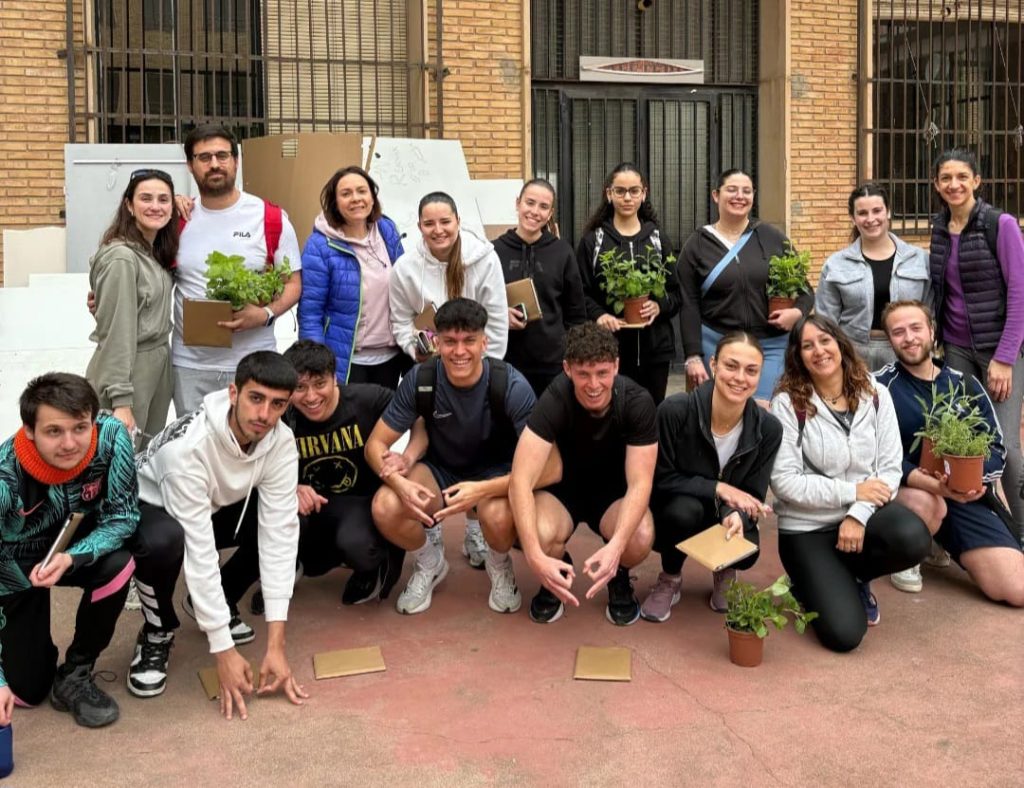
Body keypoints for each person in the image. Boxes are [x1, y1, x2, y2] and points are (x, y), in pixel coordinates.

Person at [128, 351, 308, 719]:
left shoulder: (280, 440)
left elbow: (279, 536)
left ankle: (213, 603)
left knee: (292, 519)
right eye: (256, 398)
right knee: (165, 542)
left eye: (277, 404)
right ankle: (157, 631)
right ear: (233, 393)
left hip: (212, 501)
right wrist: (223, 650)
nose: (264, 415)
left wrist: (276, 646)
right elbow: (200, 552)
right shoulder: (187, 452)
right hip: (151, 507)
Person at [365, 299, 539, 616]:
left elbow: (546, 466)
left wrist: (482, 490)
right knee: (385, 506)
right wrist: (398, 480)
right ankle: (430, 562)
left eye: (469, 340)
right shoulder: (421, 379)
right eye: (450, 341)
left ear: (484, 342)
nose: (459, 351)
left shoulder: (511, 385)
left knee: (499, 516)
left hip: (494, 472)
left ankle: (499, 565)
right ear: (437, 343)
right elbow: (374, 445)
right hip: (440, 471)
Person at [770, 315, 932, 652]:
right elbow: (784, 482)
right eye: (807, 346)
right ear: (798, 356)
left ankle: (856, 575)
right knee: (844, 635)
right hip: (807, 529)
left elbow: (890, 469)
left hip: (862, 519)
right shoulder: (788, 403)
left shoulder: (876, 394)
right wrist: (852, 491)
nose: (819, 351)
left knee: (912, 537)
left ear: (840, 344)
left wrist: (858, 513)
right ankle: (807, 582)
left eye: (825, 341)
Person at [0, 374, 138, 728]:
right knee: (27, 690)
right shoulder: (4, 477)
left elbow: (123, 516)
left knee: (120, 562)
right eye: (53, 431)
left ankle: (77, 670)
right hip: (14, 561)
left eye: (80, 427)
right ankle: (33, 652)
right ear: (29, 430)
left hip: (75, 543)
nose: (70, 443)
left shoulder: (111, 435)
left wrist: (73, 556)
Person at [389, 192, 510, 568]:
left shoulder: (483, 258)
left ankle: (475, 528)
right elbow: (400, 319)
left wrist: (480, 371)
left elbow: (496, 319)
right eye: (429, 223)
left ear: (458, 222)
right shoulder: (406, 268)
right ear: (419, 226)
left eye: (445, 222)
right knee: (435, 446)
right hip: (431, 373)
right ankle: (432, 527)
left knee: (475, 447)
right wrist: (417, 348)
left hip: (478, 373)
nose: (438, 230)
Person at [509, 321, 658, 626]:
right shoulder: (555, 398)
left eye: (602, 372)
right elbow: (520, 480)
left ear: (616, 366)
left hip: (613, 493)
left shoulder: (637, 402)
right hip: (564, 491)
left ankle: (618, 573)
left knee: (640, 537)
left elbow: (640, 483)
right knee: (533, 532)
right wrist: (535, 557)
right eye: (583, 374)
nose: (593, 384)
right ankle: (554, 569)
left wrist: (616, 548)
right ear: (567, 369)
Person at [875, 301, 1023, 605]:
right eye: (898, 332)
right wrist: (924, 480)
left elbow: (995, 445)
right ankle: (908, 554)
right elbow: (871, 455)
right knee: (928, 502)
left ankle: (940, 541)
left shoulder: (964, 384)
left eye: (916, 328)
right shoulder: (879, 387)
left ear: (932, 331)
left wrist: (974, 479)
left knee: (1017, 589)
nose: (909, 338)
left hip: (963, 495)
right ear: (890, 340)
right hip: (909, 493)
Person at [641, 332, 783, 623]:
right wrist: (718, 487)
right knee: (682, 513)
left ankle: (724, 570)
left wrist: (735, 515)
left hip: (724, 513)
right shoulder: (675, 411)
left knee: (748, 551)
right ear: (714, 365)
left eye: (751, 370)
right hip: (679, 507)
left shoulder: (768, 428)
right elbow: (661, 480)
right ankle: (670, 576)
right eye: (731, 366)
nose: (740, 378)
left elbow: (753, 494)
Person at [172, 124, 303, 414]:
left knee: (256, 438)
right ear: (190, 165)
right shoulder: (177, 220)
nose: (214, 164)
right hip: (191, 366)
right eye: (204, 157)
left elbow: (293, 283)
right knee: (194, 439)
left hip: (254, 361)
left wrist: (265, 314)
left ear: (236, 161)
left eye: (222, 155)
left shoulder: (269, 217)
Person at [929, 147, 1024, 544]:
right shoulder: (938, 228)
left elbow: (1019, 293)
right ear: (937, 184)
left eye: (962, 177)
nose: (954, 185)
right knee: (956, 440)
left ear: (976, 181)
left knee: (1006, 445)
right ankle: (970, 530)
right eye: (946, 178)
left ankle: (1021, 531)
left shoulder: (1000, 225)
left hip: (998, 351)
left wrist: (1004, 357)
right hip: (955, 350)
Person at [281, 339, 411, 605]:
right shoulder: (282, 413)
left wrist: (407, 455)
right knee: (275, 513)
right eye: (300, 387)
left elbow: (417, 413)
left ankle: (373, 565)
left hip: (360, 502)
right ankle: (287, 568)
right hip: (311, 504)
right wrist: (290, 487)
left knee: (356, 544)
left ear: (335, 378)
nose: (311, 397)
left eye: (320, 384)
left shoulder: (367, 399)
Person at [679, 169, 814, 402]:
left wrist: (797, 312)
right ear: (716, 195)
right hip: (717, 344)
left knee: (766, 409)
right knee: (721, 411)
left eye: (746, 191)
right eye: (732, 190)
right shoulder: (698, 244)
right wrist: (693, 356)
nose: (739, 196)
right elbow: (688, 301)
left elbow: (805, 290)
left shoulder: (771, 237)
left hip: (770, 345)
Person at [575, 162, 681, 404]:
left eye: (634, 191)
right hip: (608, 350)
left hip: (655, 351)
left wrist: (659, 306)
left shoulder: (657, 239)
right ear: (609, 194)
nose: (627, 198)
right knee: (612, 414)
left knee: (651, 413)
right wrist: (600, 315)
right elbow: (580, 293)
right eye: (620, 191)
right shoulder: (593, 241)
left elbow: (676, 294)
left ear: (644, 194)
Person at [86, 168, 178, 446]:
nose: (155, 206)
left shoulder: (152, 252)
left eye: (164, 199)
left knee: (143, 457)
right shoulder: (122, 258)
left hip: (157, 366)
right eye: (145, 198)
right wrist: (121, 400)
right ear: (129, 205)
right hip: (128, 371)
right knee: (119, 458)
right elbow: (117, 333)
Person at [298, 166, 408, 388]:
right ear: (335, 202)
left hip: (391, 357)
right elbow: (310, 312)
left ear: (372, 197)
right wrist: (317, 363)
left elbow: (405, 284)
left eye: (362, 191)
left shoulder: (386, 229)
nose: (356, 198)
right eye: (346, 193)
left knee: (386, 411)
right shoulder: (319, 245)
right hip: (345, 361)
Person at [816, 182, 931, 371]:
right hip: (854, 353)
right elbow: (825, 321)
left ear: (888, 212)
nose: (871, 219)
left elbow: (929, 310)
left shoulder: (918, 259)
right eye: (862, 213)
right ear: (853, 218)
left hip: (908, 350)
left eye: (877, 211)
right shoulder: (836, 265)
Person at [493, 178, 586, 396]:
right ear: (518, 203)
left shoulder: (562, 252)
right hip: (505, 361)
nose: (535, 212)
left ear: (550, 213)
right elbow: (478, 306)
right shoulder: (494, 251)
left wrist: (572, 358)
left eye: (543, 207)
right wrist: (500, 315)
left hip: (552, 364)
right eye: (530, 203)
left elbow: (576, 314)